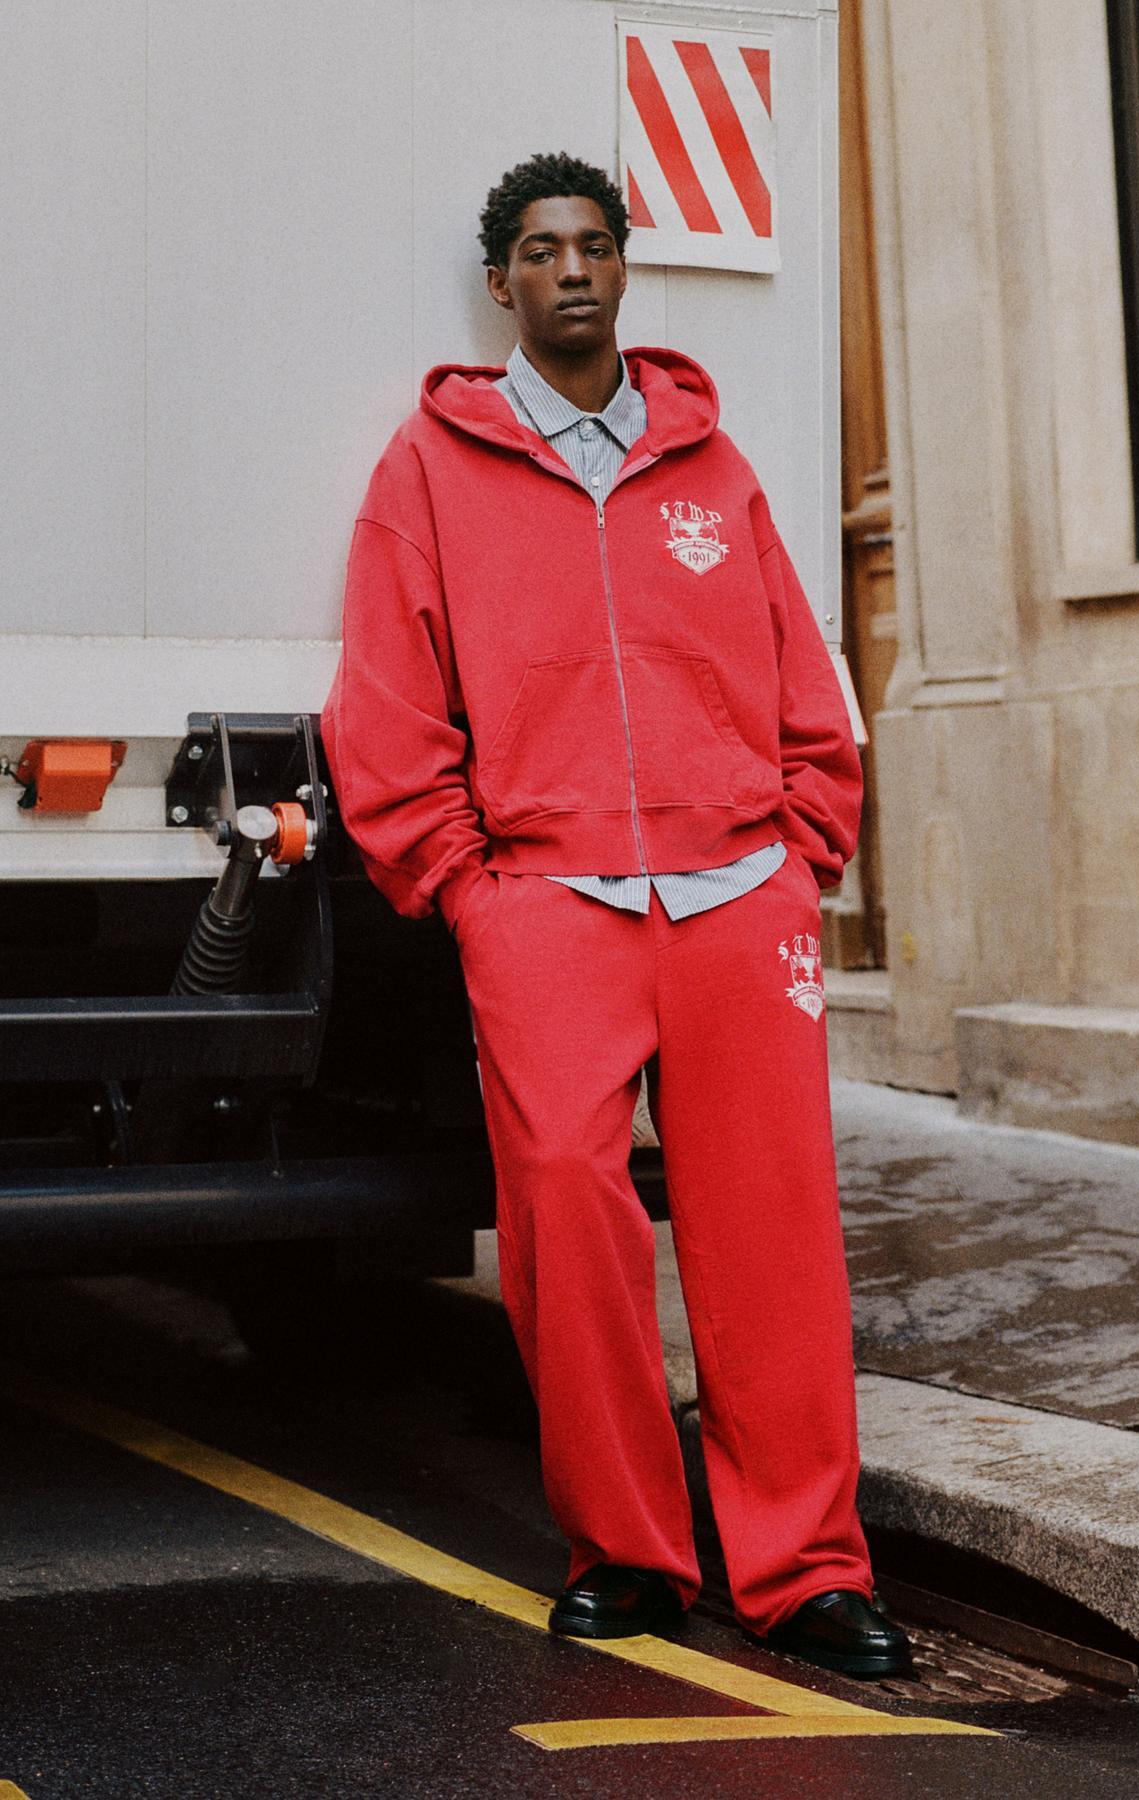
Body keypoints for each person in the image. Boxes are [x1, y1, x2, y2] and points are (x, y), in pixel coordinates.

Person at [321, 151, 913, 1681]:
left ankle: (804, 1570)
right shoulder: (431, 467)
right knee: (566, 1218)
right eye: (539, 249)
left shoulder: (709, 461)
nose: (570, 268)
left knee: (772, 1234)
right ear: (501, 282)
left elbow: (799, 672)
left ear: (623, 267)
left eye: (592, 243)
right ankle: (631, 1553)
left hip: (738, 898)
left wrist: (801, 852)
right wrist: (469, 889)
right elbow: (385, 701)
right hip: (548, 902)